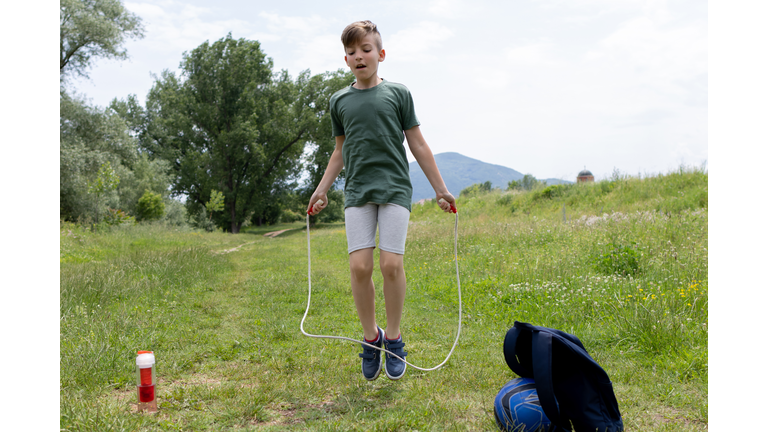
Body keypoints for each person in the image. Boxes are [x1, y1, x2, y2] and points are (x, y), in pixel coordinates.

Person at [307, 20, 456, 381]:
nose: (359, 56)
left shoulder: (399, 94)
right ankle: (371, 338)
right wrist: (322, 188)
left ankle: (394, 337)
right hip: (357, 191)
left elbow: (417, 144)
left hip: (394, 189)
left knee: (391, 265)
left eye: (366, 49)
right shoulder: (339, 101)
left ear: (381, 54)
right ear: (346, 60)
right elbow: (339, 151)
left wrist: (440, 189)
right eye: (352, 52)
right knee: (359, 267)